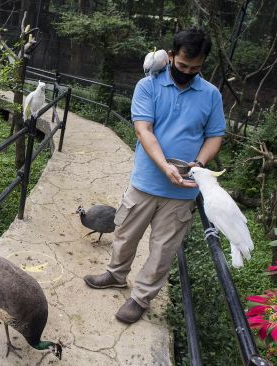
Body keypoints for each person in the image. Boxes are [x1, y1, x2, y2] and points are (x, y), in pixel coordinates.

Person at [83, 28, 226, 324]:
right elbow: (143, 129)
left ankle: (141, 297)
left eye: (195, 68)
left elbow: (214, 137)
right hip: (146, 180)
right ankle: (115, 274)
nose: (187, 72)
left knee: (163, 249)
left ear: (203, 64)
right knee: (124, 233)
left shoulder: (211, 95)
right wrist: (165, 167)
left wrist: (198, 164)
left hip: (183, 190)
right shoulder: (148, 86)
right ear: (171, 56)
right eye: (183, 66)